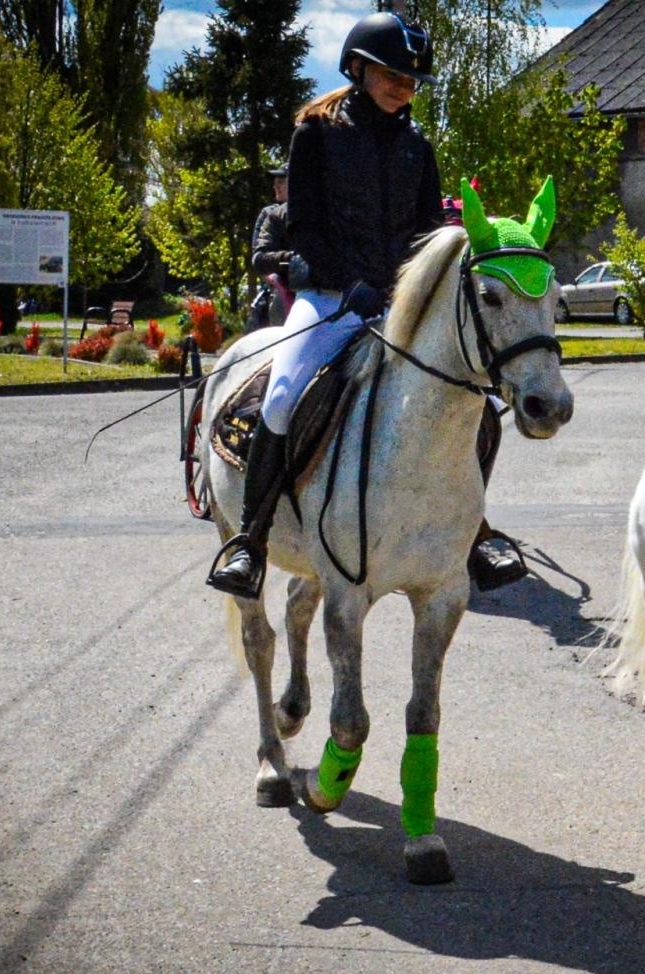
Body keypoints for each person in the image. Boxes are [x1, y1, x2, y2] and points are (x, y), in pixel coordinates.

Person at [208, 11, 442, 599]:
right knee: (284, 395)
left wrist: (413, 291)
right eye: (393, 74)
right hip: (329, 299)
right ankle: (251, 541)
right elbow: (305, 228)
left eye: (412, 80)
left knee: (470, 397)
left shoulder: (418, 146)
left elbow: (429, 232)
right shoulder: (315, 134)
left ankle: (475, 531)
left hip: (396, 307)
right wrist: (346, 283)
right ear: (359, 68)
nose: (404, 86)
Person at [246, 165, 294, 332]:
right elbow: (258, 256)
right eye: (275, 182)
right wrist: (292, 259)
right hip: (279, 283)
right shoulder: (269, 214)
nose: (276, 186)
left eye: (281, 181)